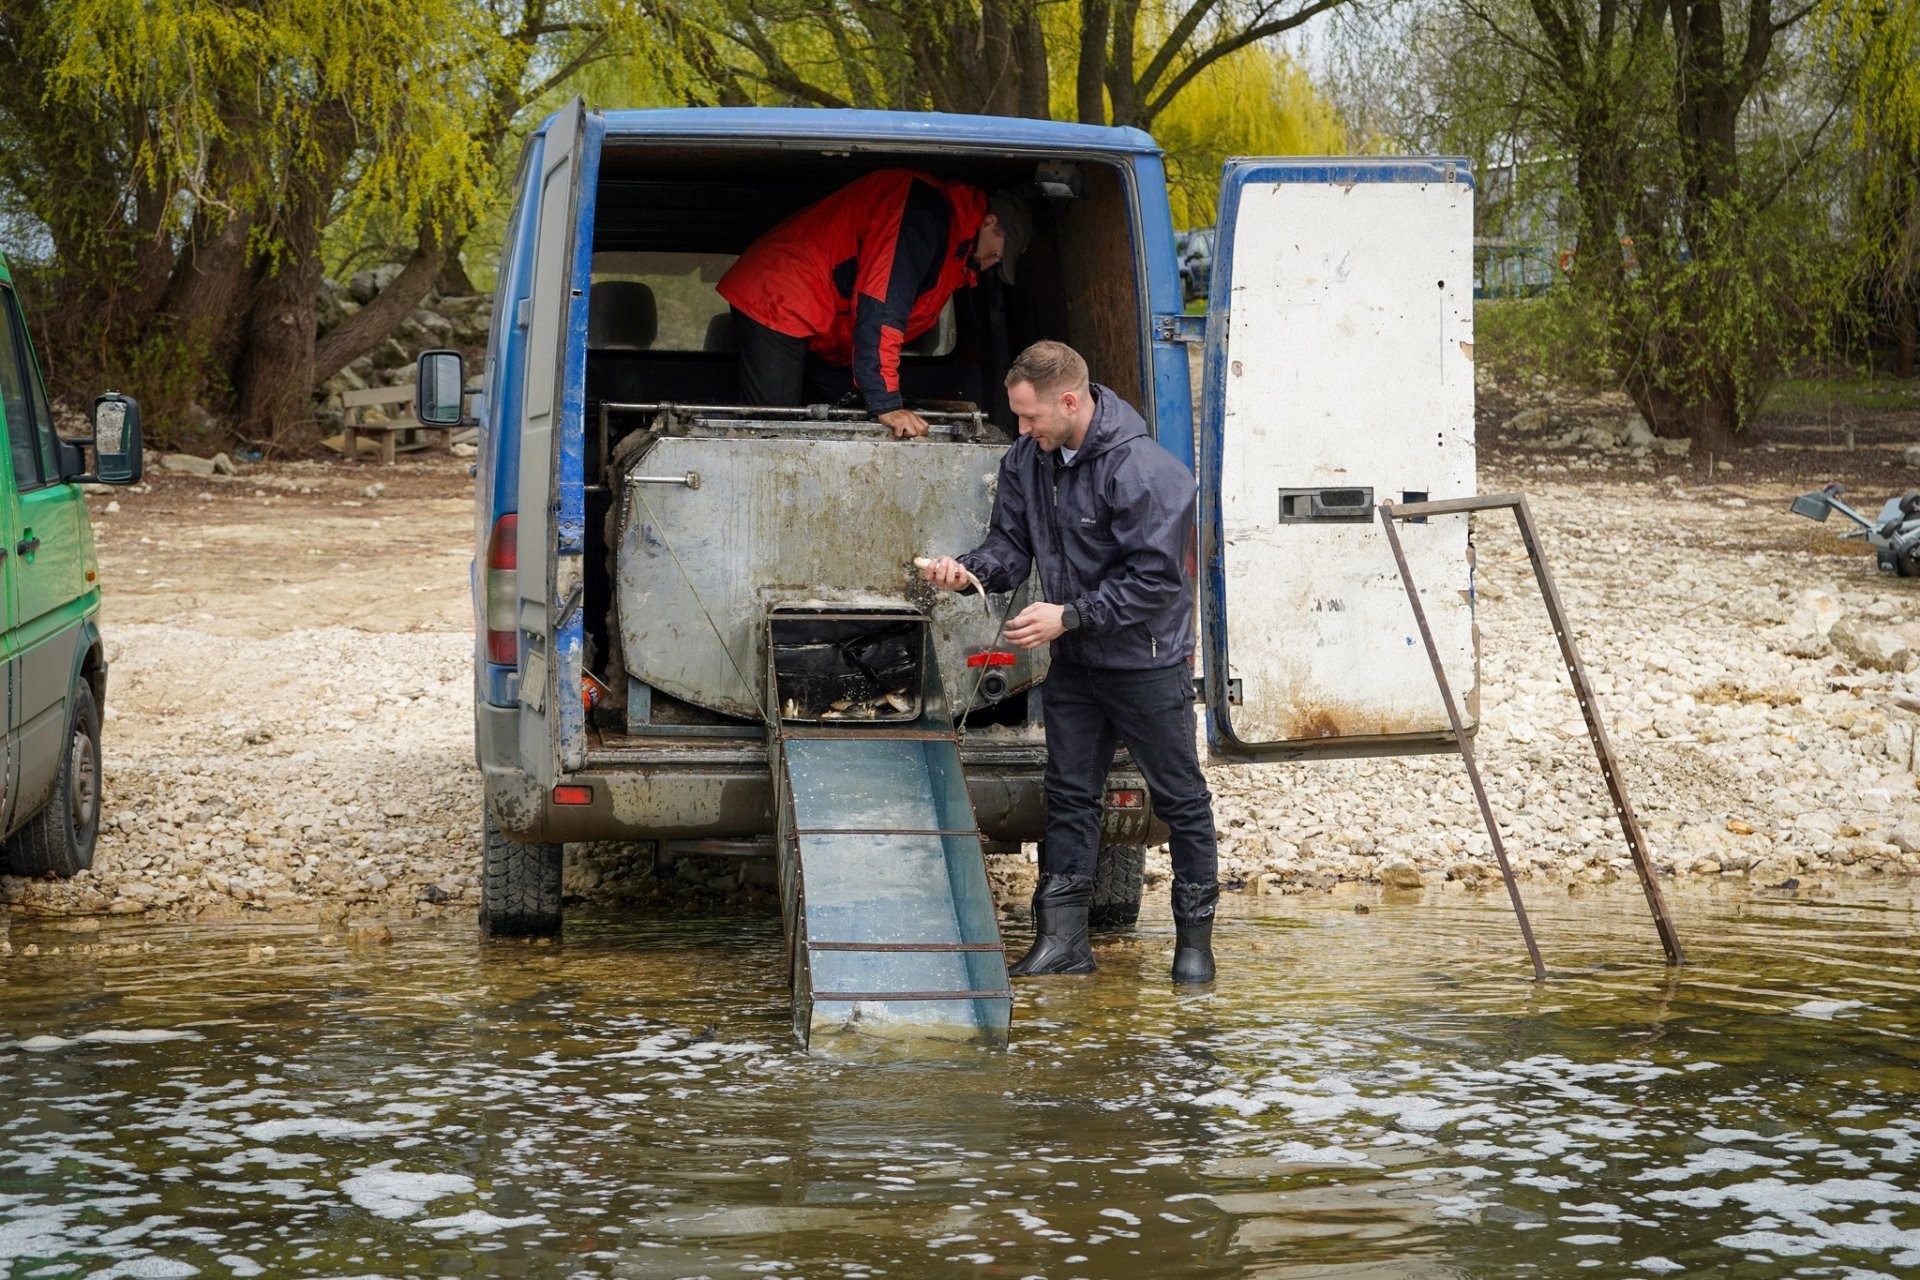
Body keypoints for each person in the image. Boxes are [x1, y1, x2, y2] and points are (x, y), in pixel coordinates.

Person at [920, 341, 1220, 983]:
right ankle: (1062, 942)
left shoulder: (1147, 471)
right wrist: (966, 572)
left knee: (1182, 799)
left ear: (1070, 400)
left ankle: (1194, 947)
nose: (1022, 431)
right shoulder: (1028, 459)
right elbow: (1010, 547)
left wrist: (1070, 615)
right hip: (1078, 663)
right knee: (1069, 795)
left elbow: (1158, 582)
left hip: (1145, 662)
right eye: (1018, 419)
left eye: (1030, 418)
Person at [717, 170, 1032, 439]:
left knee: (845, 417)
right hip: (779, 294)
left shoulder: (956, 250)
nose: (990, 264)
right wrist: (886, 404)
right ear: (990, 222)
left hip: (822, 325)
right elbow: (882, 306)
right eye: (996, 254)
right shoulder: (924, 212)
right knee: (774, 430)